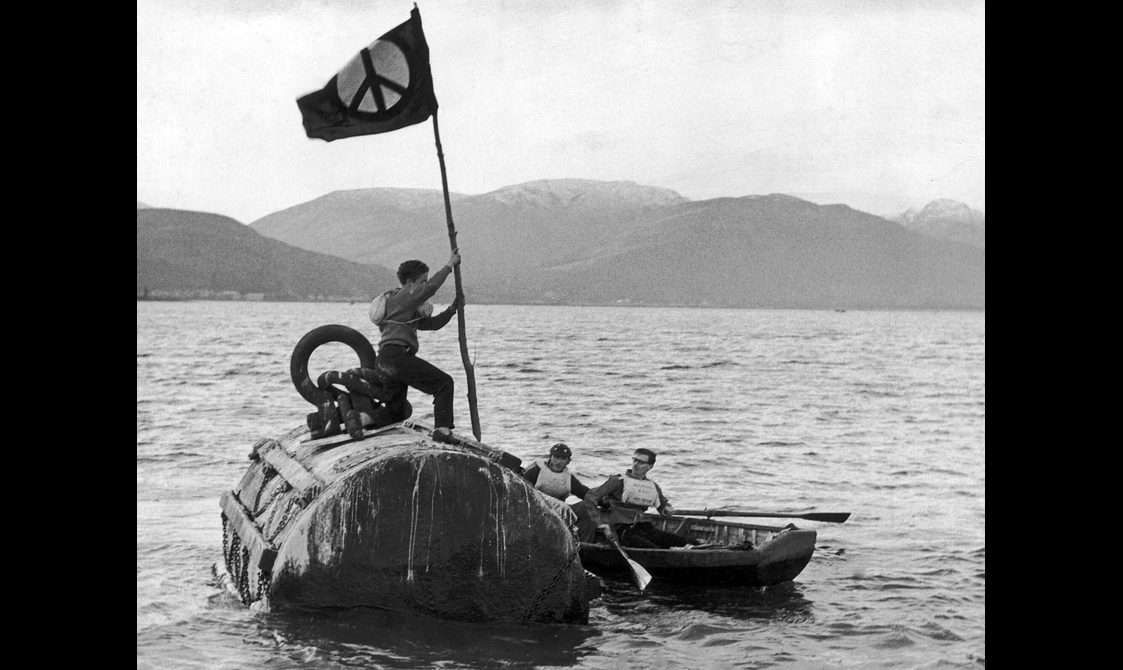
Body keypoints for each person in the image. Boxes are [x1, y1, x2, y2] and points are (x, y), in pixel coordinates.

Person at [372, 251, 464, 440]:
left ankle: (361, 419)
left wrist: (452, 310)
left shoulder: (401, 307)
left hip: (384, 359)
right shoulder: (403, 297)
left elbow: (431, 324)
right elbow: (431, 288)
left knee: (395, 412)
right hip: (397, 357)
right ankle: (443, 430)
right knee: (443, 383)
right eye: (422, 281)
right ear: (409, 283)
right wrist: (450, 265)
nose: (424, 285)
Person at [581, 447, 700, 549]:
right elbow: (590, 497)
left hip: (642, 528)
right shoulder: (617, 481)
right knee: (654, 550)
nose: (636, 464)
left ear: (650, 467)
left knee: (686, 542)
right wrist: (599, 523)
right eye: (635, 460)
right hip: (620, 530)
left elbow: (663, 508)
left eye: (641, 462)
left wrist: (667, 509)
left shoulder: (652, 486)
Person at [521, 443, 591, 502]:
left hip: (557, 511)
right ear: (550, 457)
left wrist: (600, 500)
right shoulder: (536, 469)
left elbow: (584, 493)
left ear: (568, 461)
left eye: (563, 458)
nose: (559, 462)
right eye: (556, 457)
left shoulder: (568, 478)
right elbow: (522, 487)